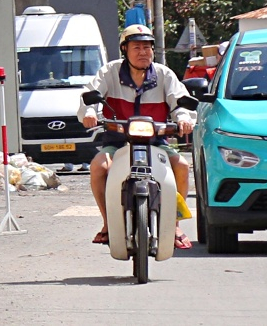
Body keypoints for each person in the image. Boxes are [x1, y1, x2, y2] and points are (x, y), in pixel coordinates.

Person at [81, 23, 194, 250]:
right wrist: (90, 112)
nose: (143, 52)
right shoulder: (109, 72)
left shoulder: (164, 74)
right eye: (137, 47)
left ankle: (174, 223)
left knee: (181, 166)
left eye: (147, 47)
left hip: (156, 142)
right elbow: (88, 96)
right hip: (118, 142)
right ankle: (107, 224)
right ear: (125, 49)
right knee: (98, 167)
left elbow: (179, 100)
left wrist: (183, 117)